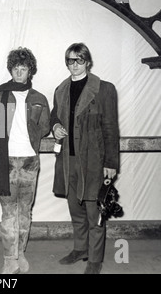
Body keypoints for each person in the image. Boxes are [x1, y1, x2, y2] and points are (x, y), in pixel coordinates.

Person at [50, 42, 119, 274]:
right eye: (70, 60)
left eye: (79, 60)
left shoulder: (104, 89)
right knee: (75, 209)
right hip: (68, 161)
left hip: (93, 162)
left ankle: (95, 259)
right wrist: (56, 125)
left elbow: (111, 128)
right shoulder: (60, 89)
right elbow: (53, 115)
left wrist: (111, 163)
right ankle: (81, 249)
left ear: (87, 62)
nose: (75, 65)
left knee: (95, 213)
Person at [0, 47, 50, 274]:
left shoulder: (39, 98)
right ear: (11, 70)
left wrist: (31, 139)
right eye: (16, 68)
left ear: (30, 71)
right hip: (7, 161)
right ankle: (9, 258)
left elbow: (45, 126)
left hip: (31, 161)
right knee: (9, 212)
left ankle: (20, 252)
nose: (19, 72)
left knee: (25, 212)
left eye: (24, 68)